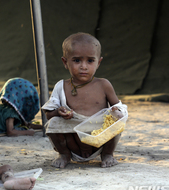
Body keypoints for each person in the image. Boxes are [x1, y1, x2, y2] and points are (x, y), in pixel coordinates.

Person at [42, 32, 127, 169]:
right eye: (76, 60)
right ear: (65, 62)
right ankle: (64, 154)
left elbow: (119, 108)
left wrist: (116, 111)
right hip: (73, 140)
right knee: (53, 123)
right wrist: (59, 111)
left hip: (100, 140)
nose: (83, 66)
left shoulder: (104, 85)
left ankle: (107, 154)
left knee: (117, 118)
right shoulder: (61, 86)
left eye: (90, 61)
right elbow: (49, 114)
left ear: (98, 63)